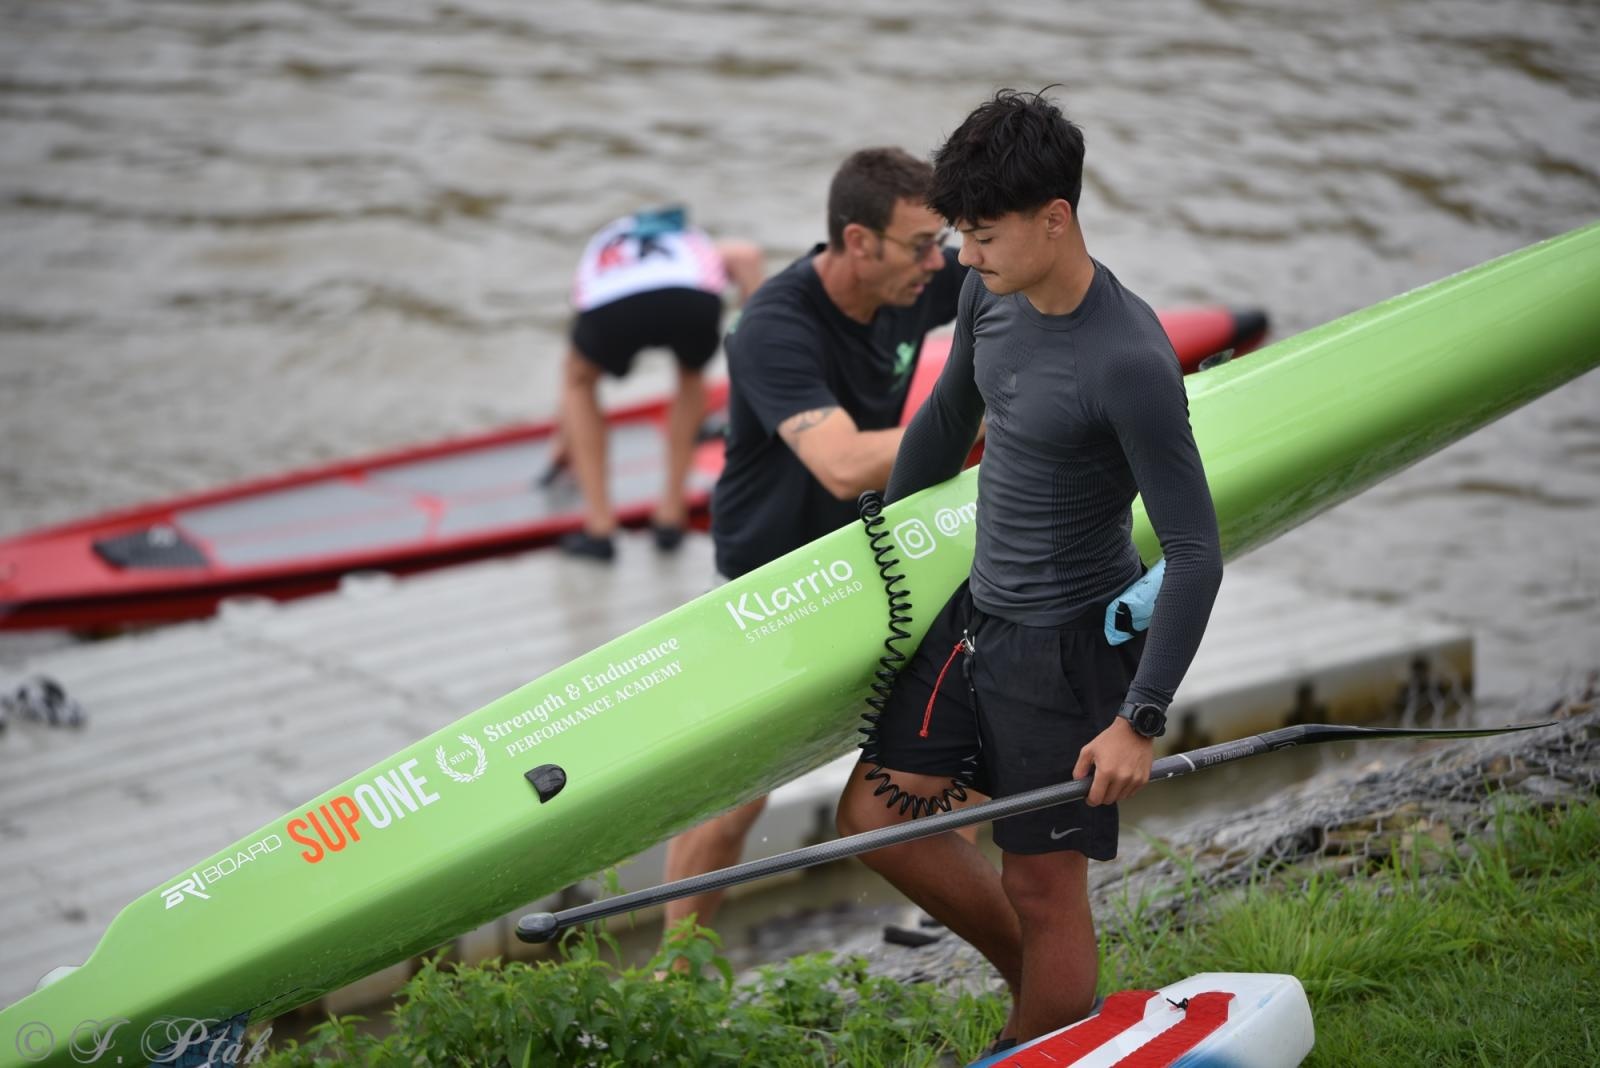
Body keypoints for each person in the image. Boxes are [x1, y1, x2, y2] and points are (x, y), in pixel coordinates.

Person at [833, 90, 1224, 1052]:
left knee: (1043, 888)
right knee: (872, 817)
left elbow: (1197, 552)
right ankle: (1051, 1002)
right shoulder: (988, 291)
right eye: (960, 235)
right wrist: (870, 545)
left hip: (1069, 652)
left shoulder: (1129, 360)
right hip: (978, 620)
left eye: (984, 234)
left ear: (1056, 219)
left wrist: (1140, 720)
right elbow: (942, 422)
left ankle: (1039, 1029)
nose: (965, 256)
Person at [661, 147, 969, 933]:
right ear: (858, 243)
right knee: (734, 802)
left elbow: (1012, 274)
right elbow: (837, 465)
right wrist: (993, 430)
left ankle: (939, 917)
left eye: (942, 244)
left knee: (974, 719)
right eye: (921, 247)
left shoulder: (919, 278)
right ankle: (669, 975)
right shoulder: (773, 327)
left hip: (877, 553)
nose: (939, 262)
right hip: (774, 575)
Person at [557, 207, 764, 562]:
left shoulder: (607, 239)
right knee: (690, 373)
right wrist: (754, 329)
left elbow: (584, 312)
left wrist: (563, 442)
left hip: (614, 304)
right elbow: (748, 256)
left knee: (578, 380)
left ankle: (601, 526)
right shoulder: (690, 239)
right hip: (689, 300)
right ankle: (671, 514)